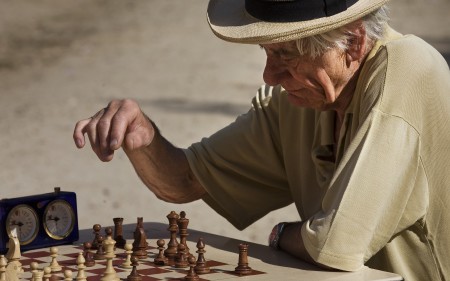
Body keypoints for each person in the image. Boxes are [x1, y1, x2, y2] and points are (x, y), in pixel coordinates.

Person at [73, 0, 450, 280]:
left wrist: (279, 234)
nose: (269, 75)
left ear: (352, 43)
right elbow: (183, 181)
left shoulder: (407, 68)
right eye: (268, 52)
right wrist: (144, 136)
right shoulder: (297, 101)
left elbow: (334, 247)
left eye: (286, 54)